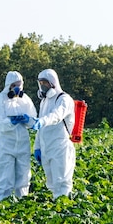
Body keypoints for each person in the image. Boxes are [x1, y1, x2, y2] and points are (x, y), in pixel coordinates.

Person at [0, 71, 37, 201]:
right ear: (8, 85)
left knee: (24, 178)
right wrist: (10, 121)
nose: (17, 88)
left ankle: (22, 204)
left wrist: (27, 119)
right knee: (5, 178)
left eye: (19, 85)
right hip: (5, 144)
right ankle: (2, 204)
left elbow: (33, 120)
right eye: (14, 85)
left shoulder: (25, 100)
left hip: (22, 143)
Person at [30, 69, 76, 200]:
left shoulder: (64, 99)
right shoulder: (44, 101)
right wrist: (37, 147)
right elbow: (41, 129)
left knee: (62, 182)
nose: (43, 86)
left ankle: (64, 209)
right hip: (46, 148)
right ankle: (57, 208)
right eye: (40, 83)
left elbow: (56, 115)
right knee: (51, 184)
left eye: (45, 82)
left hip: (60, 148)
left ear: (53, 83)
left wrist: (42, 121)